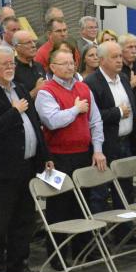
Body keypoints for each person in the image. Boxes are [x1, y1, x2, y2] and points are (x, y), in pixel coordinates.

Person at [0, 45, 51, 272]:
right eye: (5, 64)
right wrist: (13, 111)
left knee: (24, 219)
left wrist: (44, 155)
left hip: (26, 165)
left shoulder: (19, 88)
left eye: (12, 64)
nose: (10, 68)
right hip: (0, 170)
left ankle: (18, 263)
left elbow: (35, 123)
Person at [35, 48, 106, 260]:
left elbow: (96, 121)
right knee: (59, 206)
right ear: (52, 67)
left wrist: (98, 149)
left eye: (71, 63)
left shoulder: (83, 88)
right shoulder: (46, 91)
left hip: (83, 154)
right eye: (63, 63)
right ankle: (57, 255)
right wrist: (75, 110)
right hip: (57, 158)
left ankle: (81, 250)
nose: (69, 67)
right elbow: (52, 121)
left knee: (81, 204)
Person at [84, 41, 136, 208]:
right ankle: (100, 232)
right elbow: (91, 116)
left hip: (126, 142)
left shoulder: (123, 78)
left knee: (125, 192)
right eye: (114, 57)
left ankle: (124, 233)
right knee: (100, 193)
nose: (119, 60)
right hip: (105, 145)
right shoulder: (91, 83)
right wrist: (117, 112)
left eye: (120, 56)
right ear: (101, 60)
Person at [12, 29, 47, 99]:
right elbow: (15, 102)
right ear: (17, 47)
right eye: (28, 43)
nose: (33, 45)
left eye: (33, 41)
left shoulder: (38, 66)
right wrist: (36, 91)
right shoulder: (12, 69)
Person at [118, 33, 136, 112]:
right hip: (126, 112)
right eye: (130, 47)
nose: (134, 51)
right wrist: (132, 84)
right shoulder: (117, 68)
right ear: (121, 49)